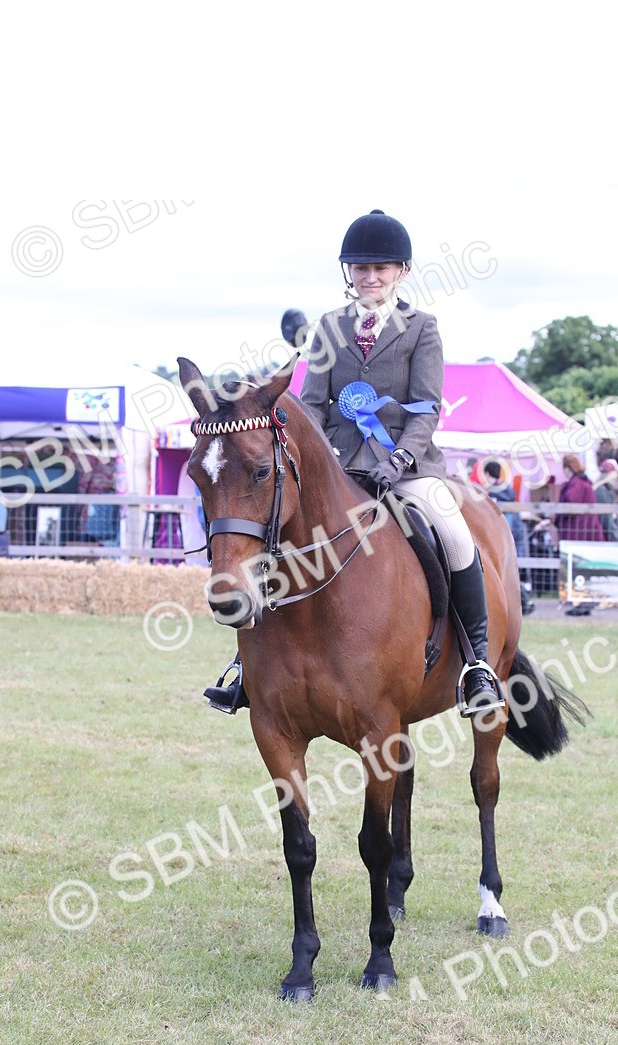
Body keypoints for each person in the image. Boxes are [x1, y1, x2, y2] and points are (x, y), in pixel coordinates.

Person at [206, 208, 506, 719]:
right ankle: (246, 666)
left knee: (454, 534)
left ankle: (476, 663)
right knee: (277, 535)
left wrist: (404, 457)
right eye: (361, 268)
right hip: (339, 469)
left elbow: (427, 405)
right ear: (349, 272)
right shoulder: (327, 329)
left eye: (381, 269)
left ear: (401, 272)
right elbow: (312, 406)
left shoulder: (421, 329)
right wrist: (329, 462)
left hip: (408, 469)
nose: (370, 277)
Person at [482, 459, 535, 615]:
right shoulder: (509, 490)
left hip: (503, 539)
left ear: (487, 474)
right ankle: (525, 602)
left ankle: (524, 604)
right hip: (516, 536)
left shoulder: (493, 494)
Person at [555, 455, 605, 542]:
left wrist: (557, 515)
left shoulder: (576, 484)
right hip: (586, 530)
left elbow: (570, 505)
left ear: (568, 468)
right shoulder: (583, 482)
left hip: (577, 532)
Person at [593, 458, 618, 542]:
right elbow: (607, 518)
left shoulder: (604, 489)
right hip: (606, 537)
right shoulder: (602, 491)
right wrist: (615, 536)